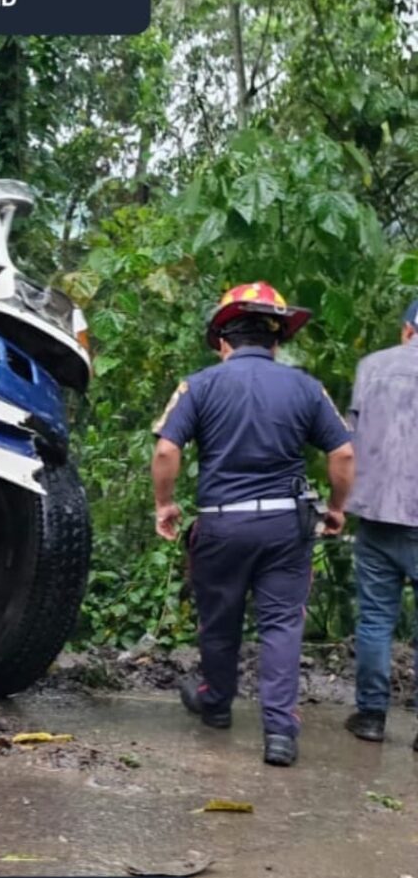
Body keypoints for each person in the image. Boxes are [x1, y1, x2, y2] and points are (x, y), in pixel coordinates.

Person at [151, 282, 354, 766]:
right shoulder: (306, 388)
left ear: (224, 341)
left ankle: (216, 704)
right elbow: (344, 454)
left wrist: (165, 504)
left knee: (219, 618)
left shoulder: (199, 385)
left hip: (221, 525)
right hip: (286, 526)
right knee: (281, 624)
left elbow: (166, 450)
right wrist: (337, 507)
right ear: (275, 342)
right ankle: (280, 733)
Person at [343, 300, 418, 748]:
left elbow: (349, 440)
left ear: (408, 329)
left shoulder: (371, 367)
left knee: (374, 619)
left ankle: (371, 716)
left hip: (376, 515)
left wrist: (341, 502)